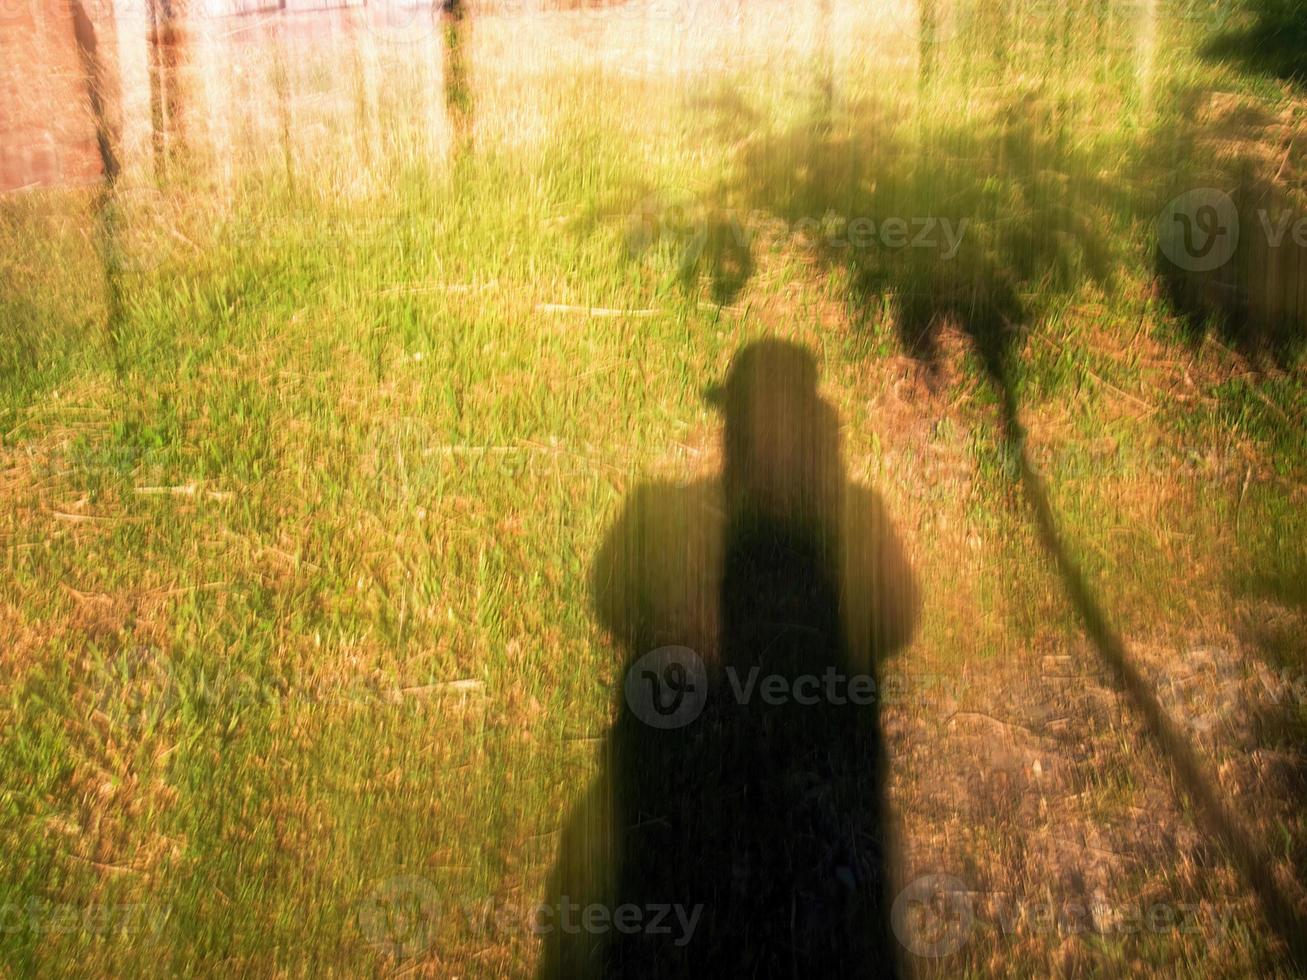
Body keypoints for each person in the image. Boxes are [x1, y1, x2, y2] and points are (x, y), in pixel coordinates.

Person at [540, 339, 919, 979]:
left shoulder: (669, 514)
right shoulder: (853, 519)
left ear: (733, 428)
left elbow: (611, 600)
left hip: (703, 830)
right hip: (796, 833)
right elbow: (897, 621)